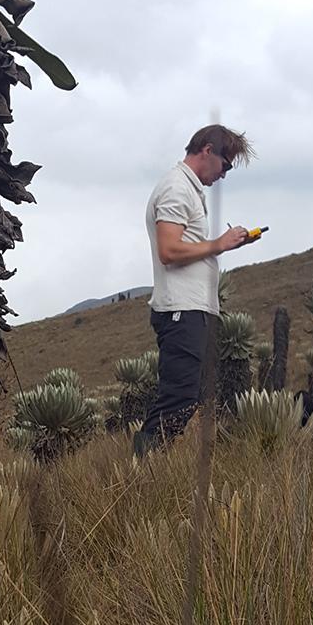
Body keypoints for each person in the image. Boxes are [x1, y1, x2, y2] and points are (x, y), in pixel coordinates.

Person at [133, 124, 255, 457]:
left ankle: (148, 466)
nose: (225, 175)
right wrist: (219, 244)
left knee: (186, 396)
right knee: (179, 396)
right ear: (207, 151)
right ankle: (141, 470)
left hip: (192, 309)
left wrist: (221, 246)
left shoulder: (188, 190)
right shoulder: (176, 188)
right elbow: (169, 251)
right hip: (181, 310)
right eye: (226, 165)